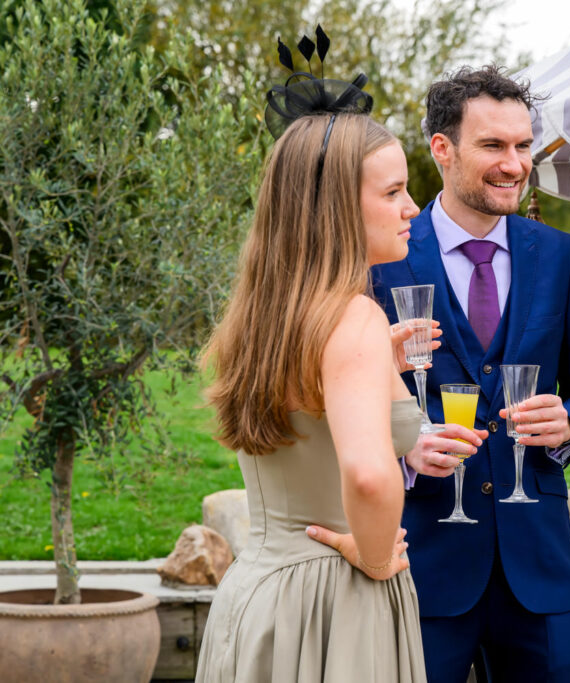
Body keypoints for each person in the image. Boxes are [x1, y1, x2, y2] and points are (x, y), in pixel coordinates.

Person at [313, 65, 570, 682]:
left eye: (524, 146)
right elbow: (332, 404)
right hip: (421, 565)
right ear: (442, 150)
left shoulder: (561, 257)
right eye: (494, 146)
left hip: (539, 570)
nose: (515, 164)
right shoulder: (378, 255)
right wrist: (404, 452)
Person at [195, 39, 446, 681]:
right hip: (331, 603)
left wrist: (373, 365)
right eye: (393, 191)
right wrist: (372, 552)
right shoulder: (354, 316)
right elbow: (366, 475)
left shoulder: (266, 315)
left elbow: (307, 413)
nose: (411, 208)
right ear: (335, 205)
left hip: (258, 595)